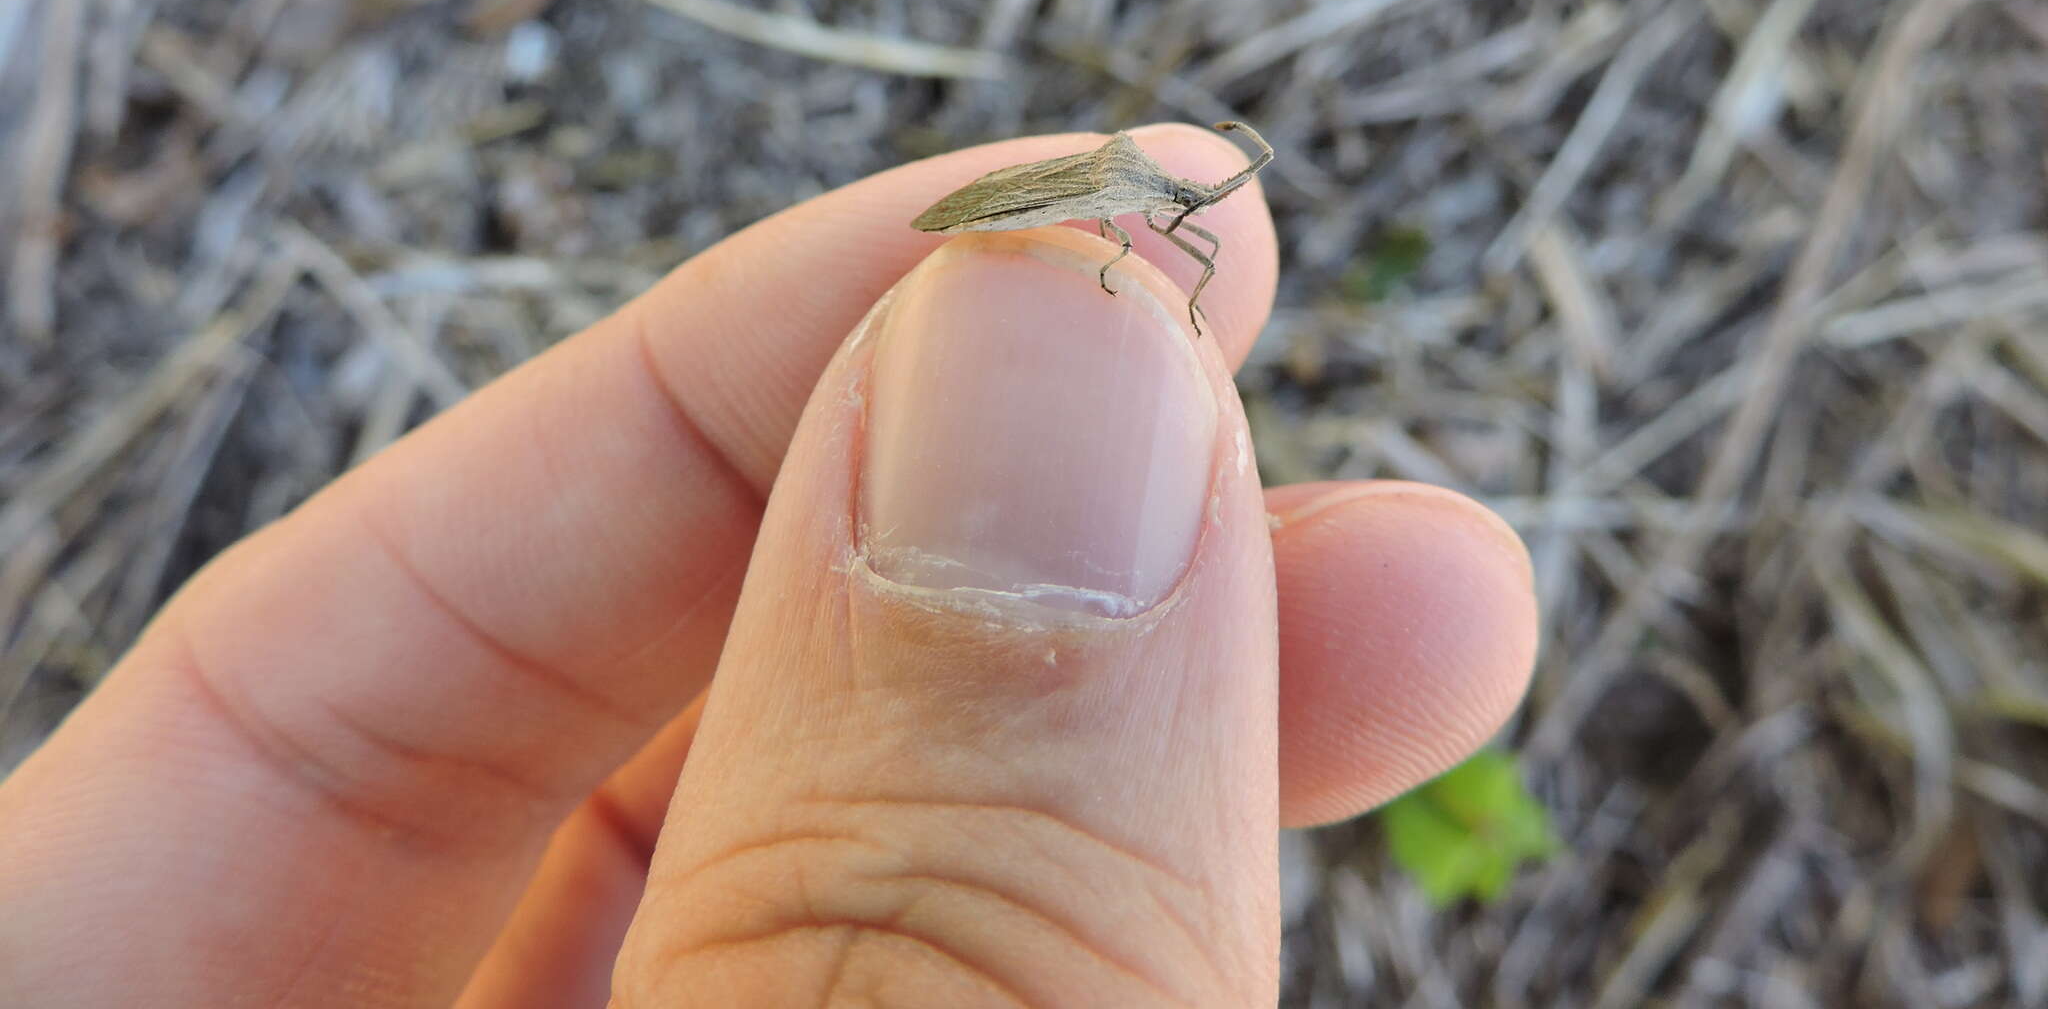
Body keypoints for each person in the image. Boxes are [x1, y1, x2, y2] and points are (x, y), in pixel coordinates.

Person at [0, 123, 1537, 1006]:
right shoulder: (1135, 194)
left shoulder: (1159, 202)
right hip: (1023, 250)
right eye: (1189, 207)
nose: (1195, 219)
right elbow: (1133, 231)